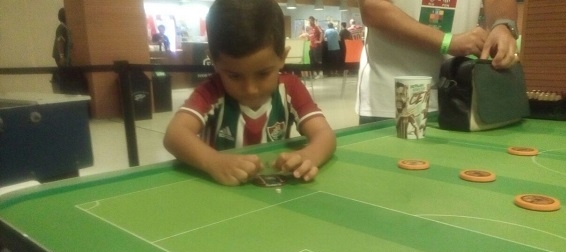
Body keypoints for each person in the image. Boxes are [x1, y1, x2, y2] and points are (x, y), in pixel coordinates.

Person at [163, 0, 336, 186]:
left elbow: (325, 135)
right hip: (220, 194)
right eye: (234, 76)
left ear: (282, 58)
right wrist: (214, 162)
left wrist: (308, 156)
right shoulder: (212, 90)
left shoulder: (290, 88)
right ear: (213, 61)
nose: (250, 89)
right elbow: (174, 135)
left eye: (263, 73)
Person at [356, 0, 520, 124]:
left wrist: (503, 25)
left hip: (458, 98)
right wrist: (448, 42)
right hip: (391, 98)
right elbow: (372, 8)